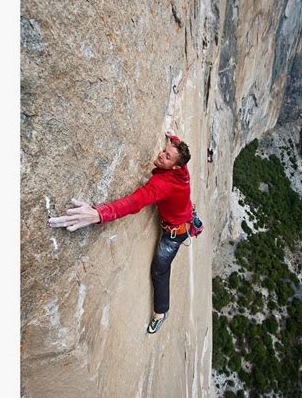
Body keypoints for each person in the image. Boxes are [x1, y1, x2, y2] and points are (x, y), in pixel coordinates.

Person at [48, 129, 193, 334]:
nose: (161, 154)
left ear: (176, 166)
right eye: (163, 150)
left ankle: (161, 313)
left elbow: (134, 203)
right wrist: (173, 138)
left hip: (174, 234)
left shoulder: (162, 184)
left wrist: (98, 214)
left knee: (159, 270)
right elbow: (177, 151)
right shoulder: (182, 169)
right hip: (184, 217)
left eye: (167, 156)